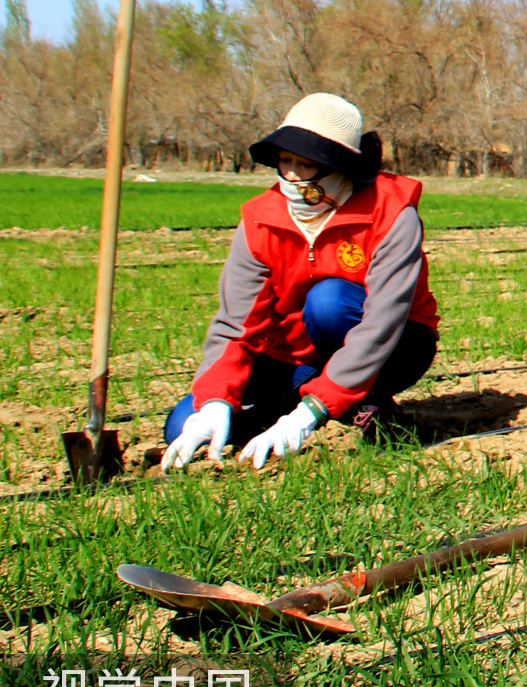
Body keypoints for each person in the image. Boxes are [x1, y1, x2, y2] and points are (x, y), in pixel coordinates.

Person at [161, 94, 441, 471]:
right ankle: (300, 402)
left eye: (307, 165)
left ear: (341, 167)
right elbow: (236, 324)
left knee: (328, 302)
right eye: (285, 160)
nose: (291, 175)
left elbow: (382, 322)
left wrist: (309, 412)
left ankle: (366, 404)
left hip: (394, 344)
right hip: (295, 355)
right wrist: (215, 401)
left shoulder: (390, 214)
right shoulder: (260, 221)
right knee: (180, 427)